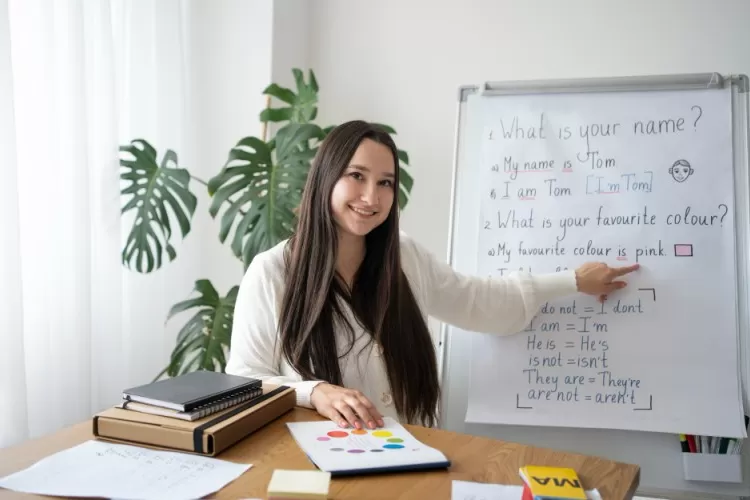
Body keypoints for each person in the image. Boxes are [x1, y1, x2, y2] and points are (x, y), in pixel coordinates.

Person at [225, 120, 639, 431]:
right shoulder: (272, 272)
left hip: (408, 455)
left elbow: (481, 302)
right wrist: (314, 390)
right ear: (325, 178)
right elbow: (244, 378)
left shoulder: (404, 257)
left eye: (385, 183)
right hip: (317, 467)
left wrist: (571, 281)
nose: (372, 197)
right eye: (357, 176)